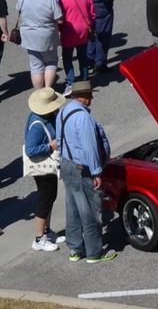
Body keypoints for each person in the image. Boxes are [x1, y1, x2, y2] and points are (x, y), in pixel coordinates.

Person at [55, 79, 114, 263]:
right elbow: (90, 148)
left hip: (66, 164)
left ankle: (75, 249)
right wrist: (96, 172)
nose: (92, 99)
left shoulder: (63, 111)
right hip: (82, 169)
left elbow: (59, 140)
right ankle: (95, 252)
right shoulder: (84, 118)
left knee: (72, 209)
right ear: (85, 97)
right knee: (89, 210)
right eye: (90, 95)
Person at [23, 87, 65, 251]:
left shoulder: (47, 116)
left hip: (47, 165)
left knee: (50, 196)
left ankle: (47, 231)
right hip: (43, 165)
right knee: (45, 198)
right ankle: (39, 238)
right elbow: (30, 149)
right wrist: (50, 146)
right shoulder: (38, 125)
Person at [16, 0, 63, 91]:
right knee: (51, 61)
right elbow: (60, 19)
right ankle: (47, 89)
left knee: (35, 65)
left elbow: (18, 9)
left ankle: (39, 92)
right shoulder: (49, 0)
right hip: (46, 36)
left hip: (28, 36)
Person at [57, 0, 97, 86]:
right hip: (84, 31)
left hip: (68, 33)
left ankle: (70, 81)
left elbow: (60, 18)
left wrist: (60, 29)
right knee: (82, 57)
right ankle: (85, 79)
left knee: (67, 58)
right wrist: (90, 25)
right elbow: (92, 13)